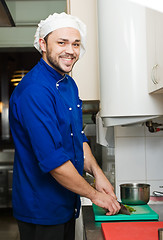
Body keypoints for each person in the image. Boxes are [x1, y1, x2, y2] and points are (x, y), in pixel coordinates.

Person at [9, 12, 120, 240]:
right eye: (61, 42)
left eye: (76, 44)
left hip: (67, 201)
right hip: (41, 209)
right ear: (42, 44)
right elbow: (54, 162)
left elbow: (77, 137)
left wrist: (98, 174)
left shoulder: (69, 84)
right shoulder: (35, 91)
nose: (70, 50)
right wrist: (95, 196)